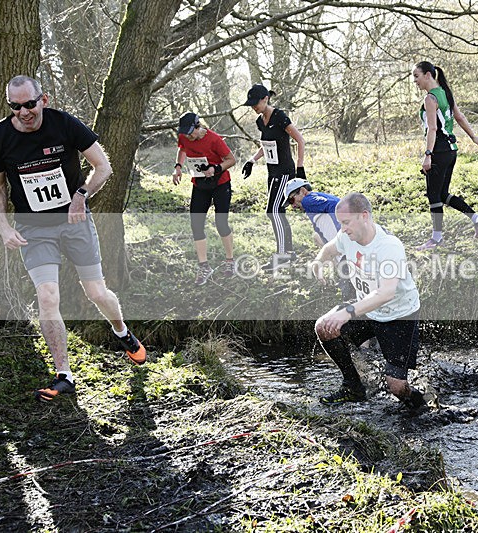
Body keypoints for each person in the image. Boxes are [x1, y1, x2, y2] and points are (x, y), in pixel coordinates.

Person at [0, 75, 147, 402]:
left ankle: (122, 331)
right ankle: (64, 376)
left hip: (75, 221)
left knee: (97, 293)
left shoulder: (64, 124)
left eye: (29, 104)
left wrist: (81, 195)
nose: (24, 112)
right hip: (34, 229)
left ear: (43, 100)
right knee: (47, 297)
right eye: (15, 106)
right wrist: (2, 226)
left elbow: (103, 167)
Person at [311, 193, 425, 410]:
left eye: (346, 222)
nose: (343, 228)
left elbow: (386, 293)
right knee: (324, 327)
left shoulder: (388, 246)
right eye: (341, 223)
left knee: (397, 387)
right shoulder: (347, 236)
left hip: (398, 316)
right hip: (367, 308)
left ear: (364, 216)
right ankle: (353, 387)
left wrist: (347, 312)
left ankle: (425, 406)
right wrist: (318, 262)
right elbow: (330, 248)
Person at [412, 61, 478, 250]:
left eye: (416, 76)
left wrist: (428, 155)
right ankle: (477, 219)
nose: (414, 81)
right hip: (451, 150)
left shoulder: (430, 98)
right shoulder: (445, 92)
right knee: (442, 194)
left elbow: (432, 128)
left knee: (434, 195)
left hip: (438, 152)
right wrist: (473, 136)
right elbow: (459, 116)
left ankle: (436, 239)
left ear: (428, 75)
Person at [242, 84, 305, 271]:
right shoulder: (260, 121)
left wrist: (300, 167)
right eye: (251, 104)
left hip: (285, 171)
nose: (254, 107)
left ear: (265, 99)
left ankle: (283, 256)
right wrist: (252, 160)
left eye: (256, 103)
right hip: (272, 172)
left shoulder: (280, 117)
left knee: (273, 211)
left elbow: (300, 140)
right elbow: (267, 144)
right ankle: (288, 253)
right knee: (278, 212)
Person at [173, 112, 237, 285]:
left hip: (220, 183)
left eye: (190, 132)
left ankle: (230, 261)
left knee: (221, 223)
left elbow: (231, 160)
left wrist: (216, 168)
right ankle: (204, 267)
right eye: (185, 133)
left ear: (198, 126)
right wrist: (178, 167)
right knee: (196, 224)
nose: (187, 136)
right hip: (200, 184)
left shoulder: (214, 139)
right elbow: (182, 148)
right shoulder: (184, 136)